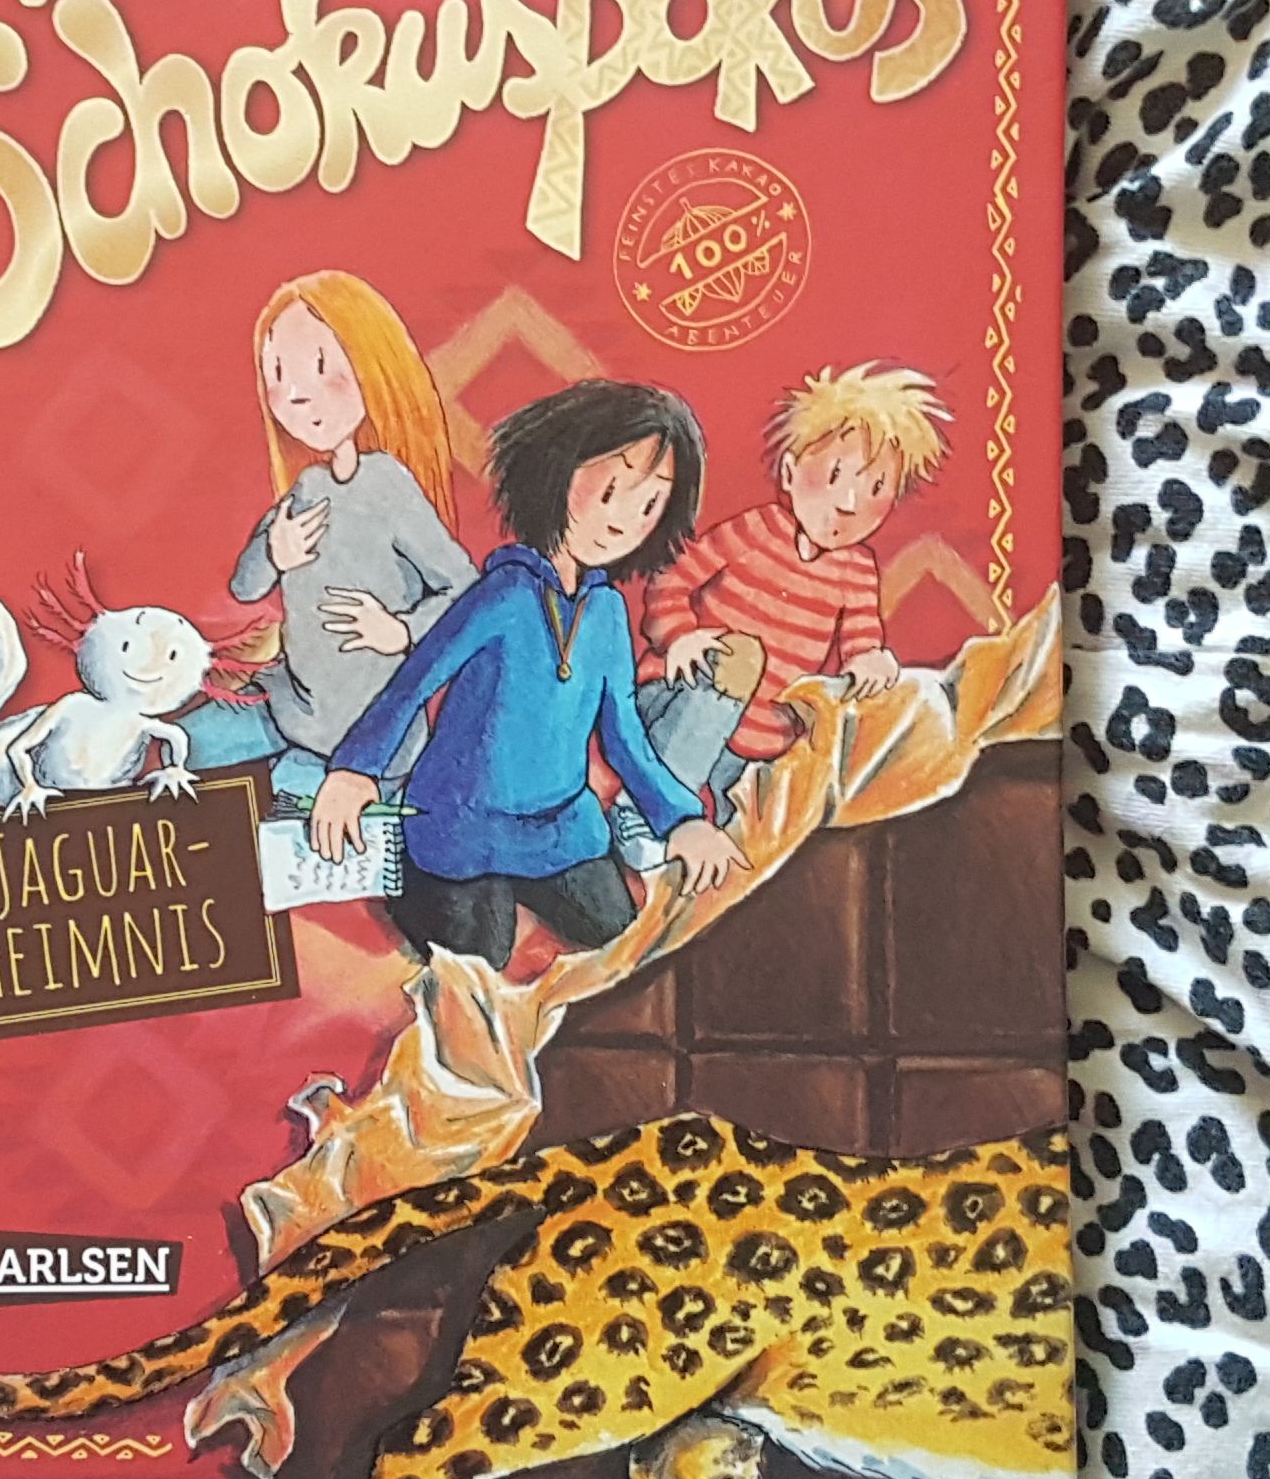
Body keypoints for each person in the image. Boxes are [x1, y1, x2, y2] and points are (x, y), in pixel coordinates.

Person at [311, 381, 747, 972]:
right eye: (610, 491)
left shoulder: (606, 613)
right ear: (556, 472)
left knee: (625, 943)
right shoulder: (502, 594)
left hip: (561, 831)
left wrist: (682, 818)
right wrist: (354, 770)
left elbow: (623, 736)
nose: (623, 521)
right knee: (477, 964)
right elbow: (414, 681)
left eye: (649, 506)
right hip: (461, 830)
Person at [611, 361, 950, 871]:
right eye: (834, 476)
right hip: (686, 701)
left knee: (748, 846)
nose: (849, 503)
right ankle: (639, 810)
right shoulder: (752, 530)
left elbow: (861, 638)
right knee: (738, 659)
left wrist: (871, 660)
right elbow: (671, 582)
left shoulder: (858, 570)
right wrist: (680, 636)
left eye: (877, 488)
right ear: (790, 473)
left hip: (759, 740)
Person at [181, 270, 475, 805]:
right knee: (178, 748)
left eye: (320, 367)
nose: (297, 396)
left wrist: (402, 631)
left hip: (369, 733)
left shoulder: (387, 485)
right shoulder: (309, 485)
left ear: (372, 368)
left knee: (278, 804)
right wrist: (273, 553)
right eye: (277, 374)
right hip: (288, 704)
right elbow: (246, 586)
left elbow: (465, 590)